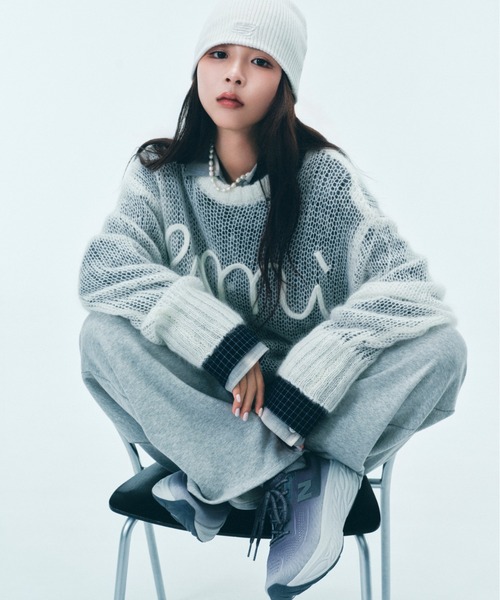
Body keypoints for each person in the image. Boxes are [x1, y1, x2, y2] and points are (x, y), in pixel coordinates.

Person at [79, 0, 467, 597]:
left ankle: (219, 482)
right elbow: (105, 267)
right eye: (219, 54)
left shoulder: (323, 177)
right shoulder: (158, 174)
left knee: (442, 349)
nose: (234, 74)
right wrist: (223, 344)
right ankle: (298, 481)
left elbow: (409, 286)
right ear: (198, 67)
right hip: (215, 403)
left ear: (285, 85)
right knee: (101, 336)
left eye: (259, 62)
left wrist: (320, 366)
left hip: (311, 409)